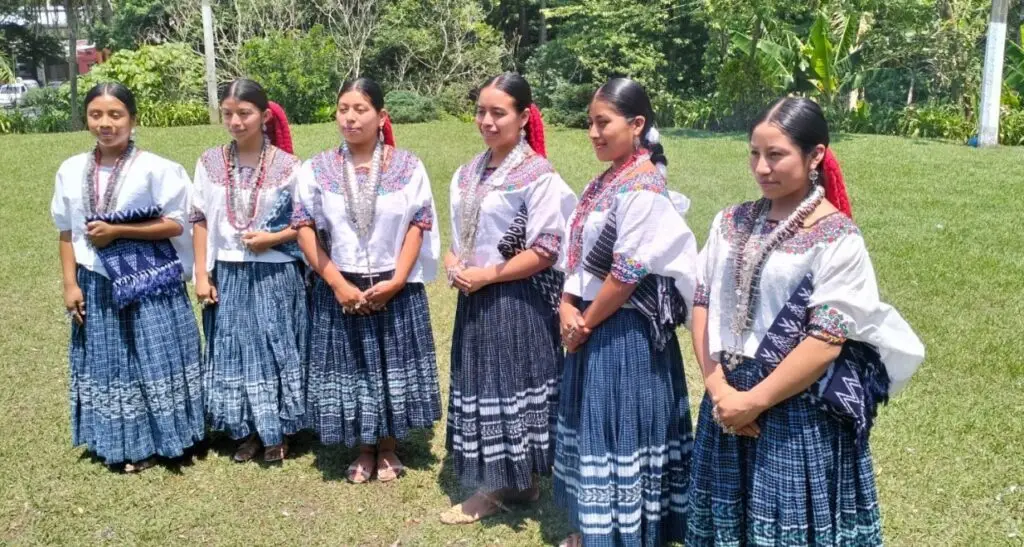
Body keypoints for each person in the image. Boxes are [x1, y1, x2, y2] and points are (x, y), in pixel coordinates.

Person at [686, 97, 925, 546]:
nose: (761, 167)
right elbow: (703, 301)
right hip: (726, 398)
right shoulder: (729, 222)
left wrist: (753, 401)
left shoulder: (838, 238)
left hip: (794, 407)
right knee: (726, 522)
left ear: (815, 156)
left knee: (785, 524)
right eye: (754, 153)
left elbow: (826, 338)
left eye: (776, 155)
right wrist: (719, 391)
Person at [552, 77, 699, 547]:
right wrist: (565, 304)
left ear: (636, 124)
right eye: (589, 123)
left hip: (625, 331)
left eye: (603, 122)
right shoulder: (607, 179)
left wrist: (584, 320)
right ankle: (597, 526)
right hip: (592, 321)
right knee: (598, 424)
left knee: (620, 428)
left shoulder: (643, 185)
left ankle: (624, 531)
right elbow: (577, 252)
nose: (593, 133)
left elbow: (629, 271)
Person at [440, 72, 577, 524]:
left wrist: (487, 275)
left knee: (509, 383)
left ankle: (502, 485)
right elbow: (460, 237)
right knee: (484, 381)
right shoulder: (467, 172)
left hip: (517, 299)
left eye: (499, 112)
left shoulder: (539, 176)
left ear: (523, 117)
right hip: (476, 294)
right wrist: (453, 263)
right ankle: (516, 478)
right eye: (481, 111)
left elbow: (545, 250)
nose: (487, 121)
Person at [292, 77, 441, 483]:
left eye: (360, 109)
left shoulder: (408, 165)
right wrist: (337, 283)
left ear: (381, 117)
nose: (351, 117)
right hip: (341, 281)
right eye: (343, 109)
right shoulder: (316, 169)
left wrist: (397, 280)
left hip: (395, 285)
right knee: (352, 364)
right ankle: (362, 446)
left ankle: (389, 446)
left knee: (392, 361)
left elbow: (419, 221)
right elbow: (304, 226)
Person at [50, 82, 204, 472]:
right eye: (96, 115)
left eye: (116, 115)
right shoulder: (70, 170)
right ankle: (119, 440)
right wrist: (70, 284)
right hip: (95, 280)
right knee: (110, 360)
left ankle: (171, 438)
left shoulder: (157, 168)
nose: (106, 124)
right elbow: (67, 231)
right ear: (86, 119)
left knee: (156, 356)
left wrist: (120, 231)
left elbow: (176, 224)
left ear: (133, 120)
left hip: (149, 280)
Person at [190, 78, 308, 463]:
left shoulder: (289, 166)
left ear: (264, 115)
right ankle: (247, 429)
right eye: (228, 114)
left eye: (244, 113)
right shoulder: (209, 163)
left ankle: (279, 431)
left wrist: (271, 240)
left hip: (275, 271)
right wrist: (202, 276)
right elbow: (200, 219)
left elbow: (306, 224)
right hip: (228, 270)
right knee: (234, 349)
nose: (236, 122)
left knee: (276, 348)